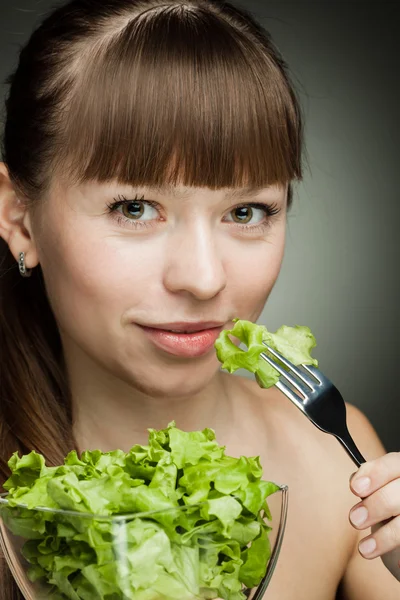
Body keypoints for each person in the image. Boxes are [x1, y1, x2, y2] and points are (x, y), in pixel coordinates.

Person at [0, 1, 399, 598]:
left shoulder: (336, 459)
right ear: (19, 218)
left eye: (246, 212)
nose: (205, 278)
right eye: (134, 208)